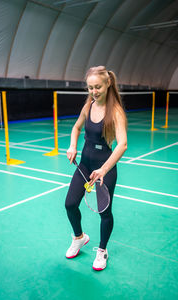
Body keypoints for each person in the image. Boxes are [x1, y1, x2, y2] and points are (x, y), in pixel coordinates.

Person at [65, 66, 127, 271]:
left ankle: (102, 251)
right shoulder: (88, 105)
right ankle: (79, 238)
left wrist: (104, 170)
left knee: (104, 212)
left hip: (104, 169)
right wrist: (73, 145)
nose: (94, 91)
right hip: (84, 165)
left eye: (98, 87)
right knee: (70, 204)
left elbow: (122, 144)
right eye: (90, 87)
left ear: (108, 83)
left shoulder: (115, 111)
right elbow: (76, 127)